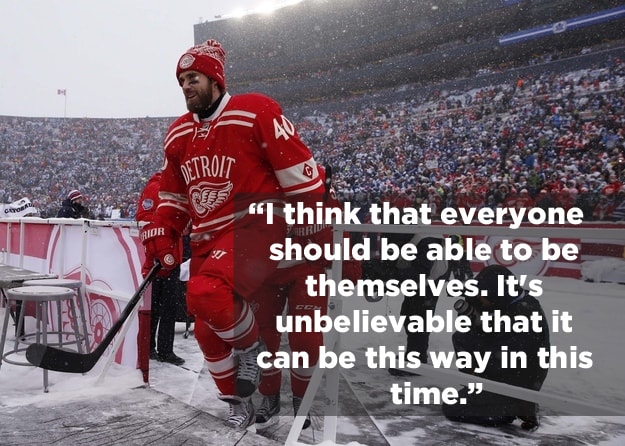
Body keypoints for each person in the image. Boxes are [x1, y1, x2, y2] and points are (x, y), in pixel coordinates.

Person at [139, 39, 326, 428]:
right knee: (206, 327)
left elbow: (304, 178)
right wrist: (164, 233)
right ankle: (238, 403)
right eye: (182, 81)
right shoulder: (177, 135)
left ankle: (258, 355)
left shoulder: (254, 110)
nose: (186, 86)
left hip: (256, 226)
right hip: (210, 237)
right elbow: (173, 196)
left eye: (193, 78)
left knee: (206, 293)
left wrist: (310, 231)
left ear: (216, 79)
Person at [253, 173, 362, 430]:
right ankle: (270, 398)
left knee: (306, 337)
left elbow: (338, 228)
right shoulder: (254, 177)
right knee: (262, 338)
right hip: (268, 270)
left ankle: (302, 401)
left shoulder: (315, 180)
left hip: (307, 268)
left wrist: (349, 266)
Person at [442, 265, 550, 431]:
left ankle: (517, 406)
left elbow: (507, 358)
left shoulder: (525, 313)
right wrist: (473, 311)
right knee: (462, 336)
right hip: (502, 366)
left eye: (483, 295)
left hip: (518, 379)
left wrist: (482, 370)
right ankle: (482, 390)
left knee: (453, 407)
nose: (480, 298)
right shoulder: (507, 300)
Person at [136, 172, 186, 366]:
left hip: (169, 258)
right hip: (160, 261)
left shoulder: (168, 190)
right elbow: (148, 222)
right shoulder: (156, 189)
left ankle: (162, 349)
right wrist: (165, 252)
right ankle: (152, 349)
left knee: (167, 309)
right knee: (157, 309)